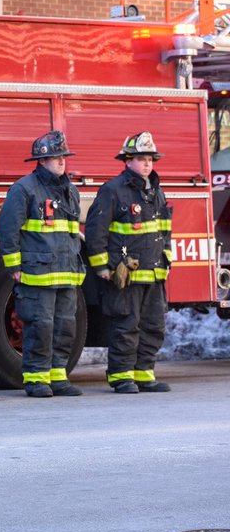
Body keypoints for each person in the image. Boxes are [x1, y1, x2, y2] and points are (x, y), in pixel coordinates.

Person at [0, 130, 86, 398]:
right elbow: (9, 229)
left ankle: (58, 376)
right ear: (41, 160)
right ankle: (36, 378)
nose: (61, 161)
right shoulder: (24, 189)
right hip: (37, 275)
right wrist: (14, 266)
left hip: (67, 274)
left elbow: (72, 233)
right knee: (39, 325)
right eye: (55, 157)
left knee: (65, 327)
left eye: (63, 156)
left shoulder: (70, 190)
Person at [84, 132, 172, 394]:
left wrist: (166, 258)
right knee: (125, 325)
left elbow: (165, 231)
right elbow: (95, 230)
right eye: (141, 159)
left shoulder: (156, 191)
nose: (147, 164)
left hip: (153, 275)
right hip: (126, 274)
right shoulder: (113, 190)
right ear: (127, 161)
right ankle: (122, 377)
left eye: (150, 159)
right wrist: (102, 267)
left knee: (153, 326)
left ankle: (144, 374)